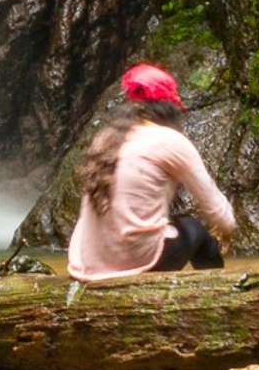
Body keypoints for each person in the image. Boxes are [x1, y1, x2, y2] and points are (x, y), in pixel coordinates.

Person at [67, 63, 238, 281]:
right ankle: (220, 296)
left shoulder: (105, 138)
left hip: (85, 264)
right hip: (134, 262)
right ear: (169, 108)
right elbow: (220, 213)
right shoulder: (170, 141)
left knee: (171, 226)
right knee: (195, 230)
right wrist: (226, 230)